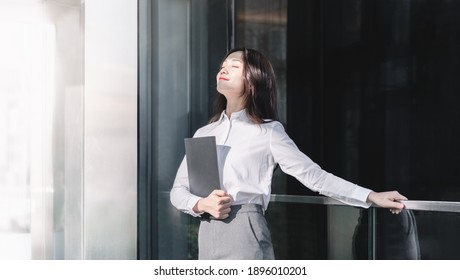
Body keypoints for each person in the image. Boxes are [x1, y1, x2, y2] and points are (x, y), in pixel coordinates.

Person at [170, 47, 407, 260]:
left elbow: (315, 177)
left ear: (253, 80)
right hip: (207, 233)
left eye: (234, 66)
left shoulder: (268, 131)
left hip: (245, 231)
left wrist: (370, 196)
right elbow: (178, 191)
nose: (224, 70)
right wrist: (201, 204)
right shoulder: (204, 132)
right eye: (223, 66)